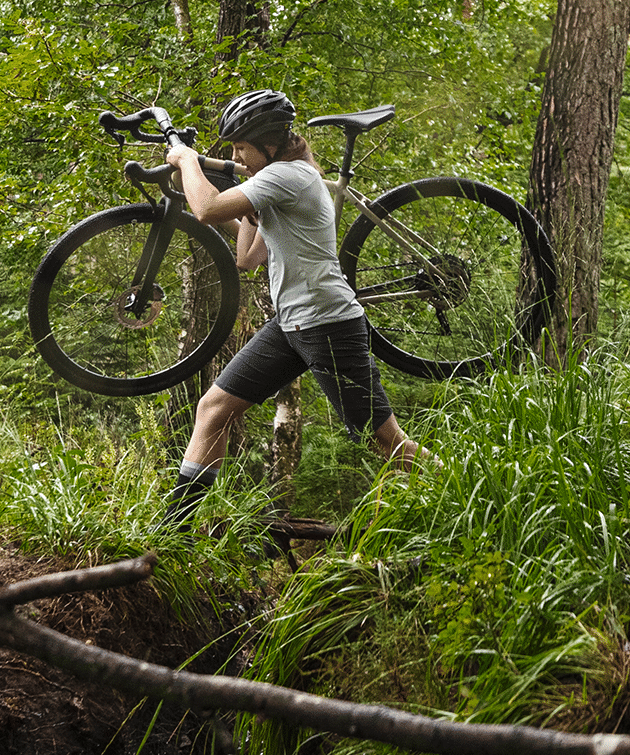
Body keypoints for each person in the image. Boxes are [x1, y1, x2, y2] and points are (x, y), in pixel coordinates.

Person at [156, 89, 429, 530]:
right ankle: (174, 533)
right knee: (214, 408)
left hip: (328, 325)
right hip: (292, 325)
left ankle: (462, 496)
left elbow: (206, 209)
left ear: (268, 143)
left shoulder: (289, 176)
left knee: (387, 441)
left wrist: (187, 161)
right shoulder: (279, 183)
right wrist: (248, 208)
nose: (237, 156)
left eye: (242, 147)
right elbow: (248, 259)